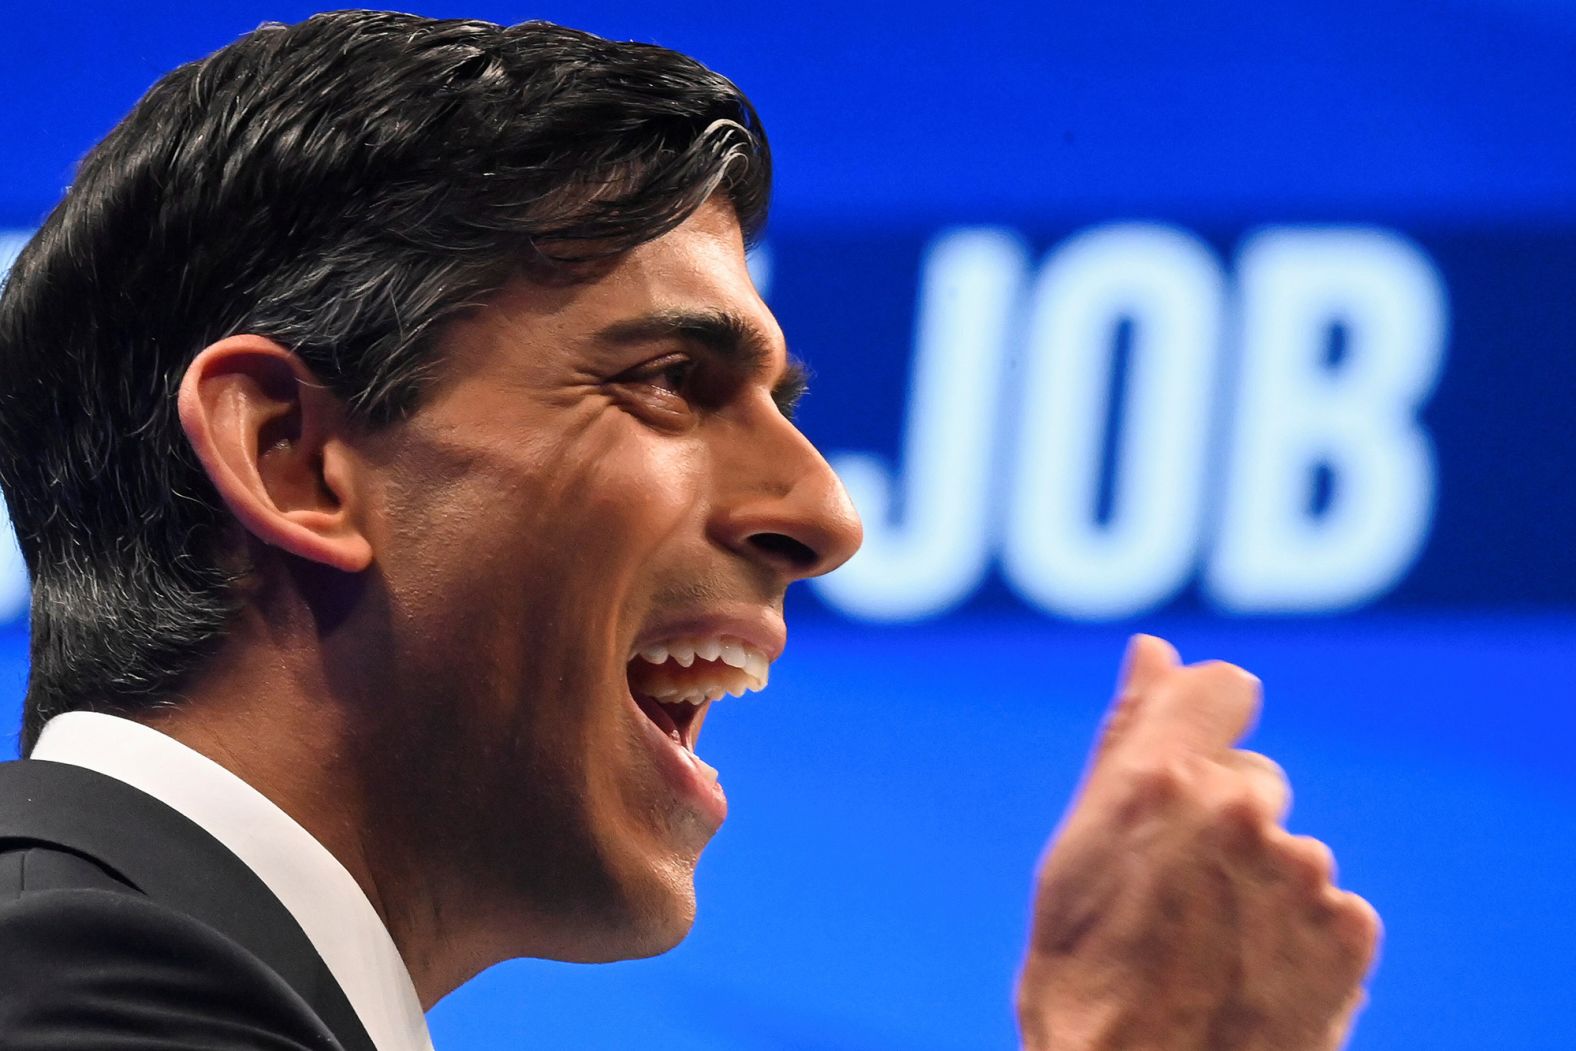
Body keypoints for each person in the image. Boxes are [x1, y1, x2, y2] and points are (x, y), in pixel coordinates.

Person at [0, 11, 1379, 1050]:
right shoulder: (68, 972)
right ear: (296, 458)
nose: (827, 516)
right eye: (668, 382)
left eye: (781, 404)